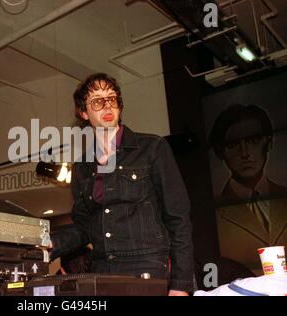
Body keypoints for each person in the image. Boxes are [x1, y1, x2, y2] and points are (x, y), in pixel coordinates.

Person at [50, 73, 194, 296]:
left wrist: (180, 285)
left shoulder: (152, 148)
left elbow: (179, 218)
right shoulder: (82, 167)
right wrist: (48, 244)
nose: (107, 106)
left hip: (147, 267)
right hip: (102, 270)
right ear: (84, 112)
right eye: (98, 101)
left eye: (112, 99)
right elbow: (84, 227)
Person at [208, 104, 287, 271]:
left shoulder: (282, 195)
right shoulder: (214, 211)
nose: (245, 153)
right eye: (233, 144)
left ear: (268, 142)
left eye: (253, 140)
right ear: (221, 152)